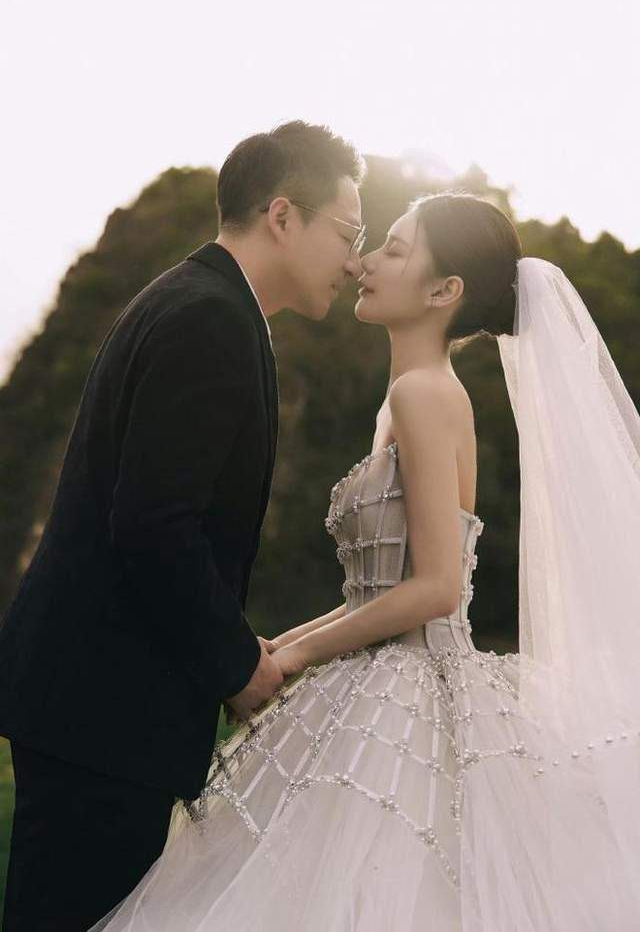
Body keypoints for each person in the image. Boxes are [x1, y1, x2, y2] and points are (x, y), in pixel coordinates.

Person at [88, 192, 640, 931]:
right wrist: (272, 649)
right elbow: (375, 594)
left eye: (395, 251)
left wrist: (294, 658)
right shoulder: (404, 398)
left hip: (412, 686)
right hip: (380, 672)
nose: (365, 262)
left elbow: (437, 587)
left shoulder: (424, 394)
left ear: (444, 291)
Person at [0, 120, 366, 931]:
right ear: (282, 215)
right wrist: (235, 665)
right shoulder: (210, 320)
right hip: (104, 710)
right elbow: (154, 526)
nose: (353, 262)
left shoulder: (200, 300)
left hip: (94, 703)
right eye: (348, 234)